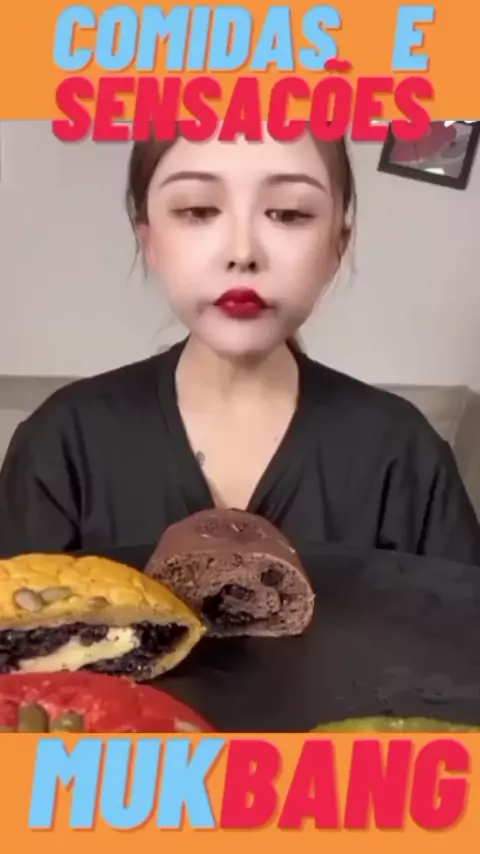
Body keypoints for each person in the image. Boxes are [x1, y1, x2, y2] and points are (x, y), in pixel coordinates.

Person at [1, 128, 480, 567]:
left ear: (338, 245)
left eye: (289, 213)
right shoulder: (61, 444)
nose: (242, 252)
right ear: (149, 239)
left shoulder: (404, 455)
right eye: (197, 210)